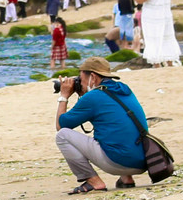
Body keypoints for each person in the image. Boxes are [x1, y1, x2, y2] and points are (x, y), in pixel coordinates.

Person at [55, 57, 148, 193]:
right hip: (143, 161)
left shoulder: (93, 97)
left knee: (62, 136)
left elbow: (60, 125)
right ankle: (127, 179)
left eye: (81, 78)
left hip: (118, 163)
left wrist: (63, 96)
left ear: (92, 76)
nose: (79, 82)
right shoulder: (124, 89)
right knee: (118, 129)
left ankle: (94, 182)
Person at [131, 0, 181, 66]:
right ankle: (170, 64)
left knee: (153, 40)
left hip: (153, 20)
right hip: (165, 17)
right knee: (166, 38)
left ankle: (157, 65)